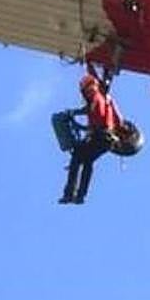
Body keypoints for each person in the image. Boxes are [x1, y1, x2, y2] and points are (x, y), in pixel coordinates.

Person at [59, 73, 121, 205]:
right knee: (87, 161)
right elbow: (89, 113)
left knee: (77, 157)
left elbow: (93, 122)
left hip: (102, 137)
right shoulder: (100, 100)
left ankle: (70, 194)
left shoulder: (96, 99)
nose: (87, 93)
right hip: (105, 140)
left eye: (88, 90)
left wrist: (75, 121)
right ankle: (80, 195)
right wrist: (75, 115)